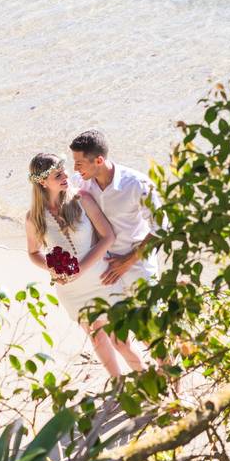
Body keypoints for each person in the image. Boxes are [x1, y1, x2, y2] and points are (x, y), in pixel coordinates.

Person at [24, 153, 145, 378]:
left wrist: (79, 268)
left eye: (64, 169)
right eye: (58, 174)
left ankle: (146, 378)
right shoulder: (34, 217)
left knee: (121, 340)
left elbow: (107, 236)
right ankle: (117, 384)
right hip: (71, 290)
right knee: (98, 339)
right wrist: (51, 268)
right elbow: (33, 252)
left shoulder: (81, 199)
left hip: (102, 279)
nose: (66, 175)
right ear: (42, 182)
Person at [68, 130, 160, 291]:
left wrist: (129, 260)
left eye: (79, 163)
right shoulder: (79, 182)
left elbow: (162, 227)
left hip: (137, 265)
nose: (75, 168)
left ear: (99, 160)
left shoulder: (137, 184)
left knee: (150, 315)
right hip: (100, 266)